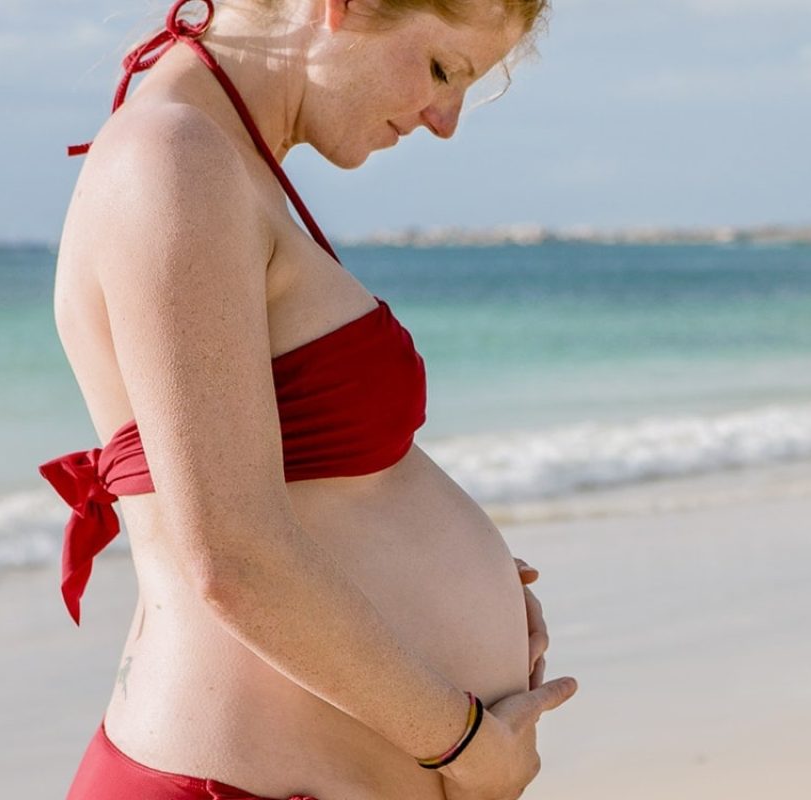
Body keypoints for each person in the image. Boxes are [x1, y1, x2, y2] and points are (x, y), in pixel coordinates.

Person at [38, 0, 575, 797]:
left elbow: (305, 493)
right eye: (440, 70)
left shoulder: (223, 160)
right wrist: (462, 743)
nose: (444, 120)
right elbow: (234, 560)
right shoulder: (172, 157)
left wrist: (452, 587)